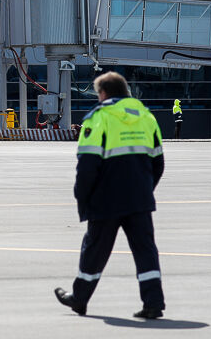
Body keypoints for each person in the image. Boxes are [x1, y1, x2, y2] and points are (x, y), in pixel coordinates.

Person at [54, 71, 166, 320]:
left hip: (106, 200)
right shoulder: (146, 116)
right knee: (145, 250)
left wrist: (82, 197)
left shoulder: (99, 117)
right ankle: (153, 303)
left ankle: (79, 298)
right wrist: (145, 189)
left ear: (103, 93)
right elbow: (158, 162)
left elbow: (87, 165)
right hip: (139, 198)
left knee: (94, 250)